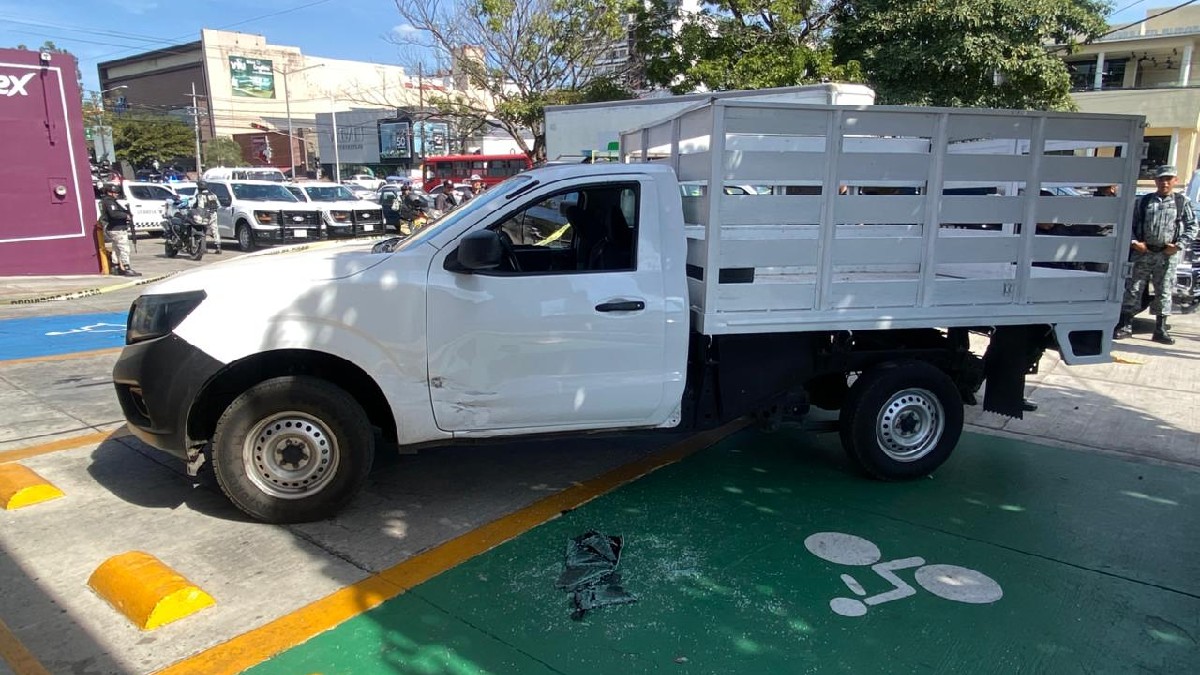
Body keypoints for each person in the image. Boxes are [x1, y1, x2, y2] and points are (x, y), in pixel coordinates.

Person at [1114, 165, 1198, 344]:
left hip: (1166, 255)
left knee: (1164, 291)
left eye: (1168, 179)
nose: (1164, 182)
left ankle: (1160, 329)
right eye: (1161, 179)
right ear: (1156, 181)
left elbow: (1192, 227)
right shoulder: (1144, 201)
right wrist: (1135, 242)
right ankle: (1125, 325)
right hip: (1143, 252)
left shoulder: (1182, 202)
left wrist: (1178, 245)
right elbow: (1129, 224)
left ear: (1175, 181)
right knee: (1133, 288)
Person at [98, 183, 141, 277]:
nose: (117, 194)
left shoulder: (108, 201)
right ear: (109, 192)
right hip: (117, 228)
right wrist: (126, 216)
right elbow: (114, 214)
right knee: (124, 249)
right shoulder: (109, 201)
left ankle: (116, 267)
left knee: (116, 249)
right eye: (115, 192)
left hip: (114, 228)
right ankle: (127, 268)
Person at [190, 180, 221, 254]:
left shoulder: (200, 196)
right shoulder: (213, 195)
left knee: (202, 230)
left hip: (204, 214)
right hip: (213, 214)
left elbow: (199, 206)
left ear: (200, 187)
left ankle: (203, 248)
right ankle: (218, 247)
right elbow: (218, 205)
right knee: (215, 230)